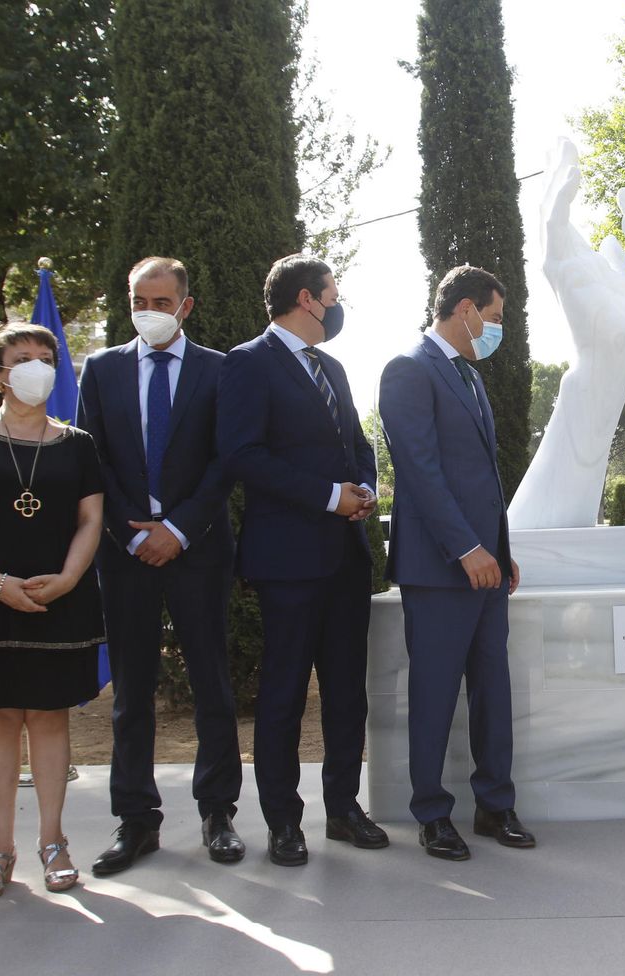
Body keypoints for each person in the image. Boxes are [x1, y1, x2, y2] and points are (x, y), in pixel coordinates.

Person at [216, 253, 383, 867]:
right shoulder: (247, 364)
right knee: (284, 695)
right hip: (287, 559)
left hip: (345, 557)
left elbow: (356, 445)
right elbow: (240, 455)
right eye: (333, 294)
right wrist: (325, 496)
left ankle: (342, 807)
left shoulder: (332, 368)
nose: (338, 305)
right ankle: (284, 821)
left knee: (346, 693)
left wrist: (363, 487)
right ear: (308, 299)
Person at [78, 257, 242, 876]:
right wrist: (131, 531)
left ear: (185, 306)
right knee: (132, 693)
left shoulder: (221, 371)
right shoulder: (101, 369)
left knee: (211, 685)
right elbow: (91, 455)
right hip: (125, 555)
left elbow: (226, 462)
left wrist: (176, 529)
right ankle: (136, 820)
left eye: (160, 299)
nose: (148, 309)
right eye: (137, 299)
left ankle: (217, 811)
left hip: (196, 550)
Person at [0, 322, 106, 900]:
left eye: (45, 357)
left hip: (59, 598)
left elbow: (90, 520)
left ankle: (53, 843)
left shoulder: (77, 442)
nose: (35, 367)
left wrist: (69, 578)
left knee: (50, 717)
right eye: (21, 358)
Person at [378, 265, 530, 862]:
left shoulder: (467, 375)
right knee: (436, 694)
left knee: (493, 687)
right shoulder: (409, 369)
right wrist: (466, 548)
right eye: (493, 318)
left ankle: (495, 804)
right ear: (464, 309)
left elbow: (482, 477)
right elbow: (419, 471)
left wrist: (500, 550)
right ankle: (432, 813)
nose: (496, 329)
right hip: (441, 568)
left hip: (487, 568)